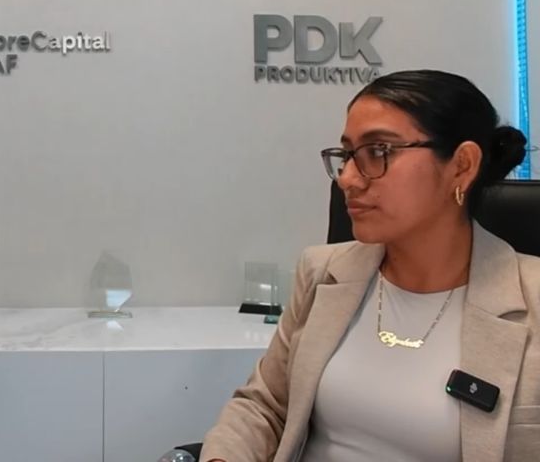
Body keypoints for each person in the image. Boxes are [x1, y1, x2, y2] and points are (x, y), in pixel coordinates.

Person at [201, 70, 538, 462]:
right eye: (347, 155)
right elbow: (265, 405)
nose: (347, 179)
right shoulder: (323, 272)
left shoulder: (531, 302)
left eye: (378, 152)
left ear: (462, 166)